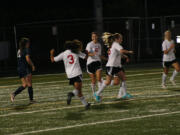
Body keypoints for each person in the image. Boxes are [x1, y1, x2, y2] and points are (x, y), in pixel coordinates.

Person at [50, 40, 90, 109]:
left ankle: (86, 104)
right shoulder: (76, 52)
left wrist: (51, 53)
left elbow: (53, 60)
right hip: (77, 73)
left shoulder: (63, 53)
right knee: (78, 90)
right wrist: (87, 53)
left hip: (70, 75)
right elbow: (86, 57)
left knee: (79, 90)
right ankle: (71, 94)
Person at [94, 33, 134, 102]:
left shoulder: (114, 45)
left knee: (123, 78)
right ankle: (97, 93)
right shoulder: (116, 44)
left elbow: (119, 53)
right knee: (108, 82)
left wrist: (125, 56)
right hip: (111, 66)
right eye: (120, 38)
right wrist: (129, 52)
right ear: (117, 39)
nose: (122, 39)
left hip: (116, 66)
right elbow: (121, 51)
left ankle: (124, 94)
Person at [10, 38, 35, 103]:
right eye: (28, 42)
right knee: (29, 84)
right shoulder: (26, 49)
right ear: (26, 43)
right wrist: (32, 65)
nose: (29, 44)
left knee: (24, 85)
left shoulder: (19, 50)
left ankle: (14, 94)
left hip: (19, 68)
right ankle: (31, 100)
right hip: (24, 68)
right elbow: (28, 59)